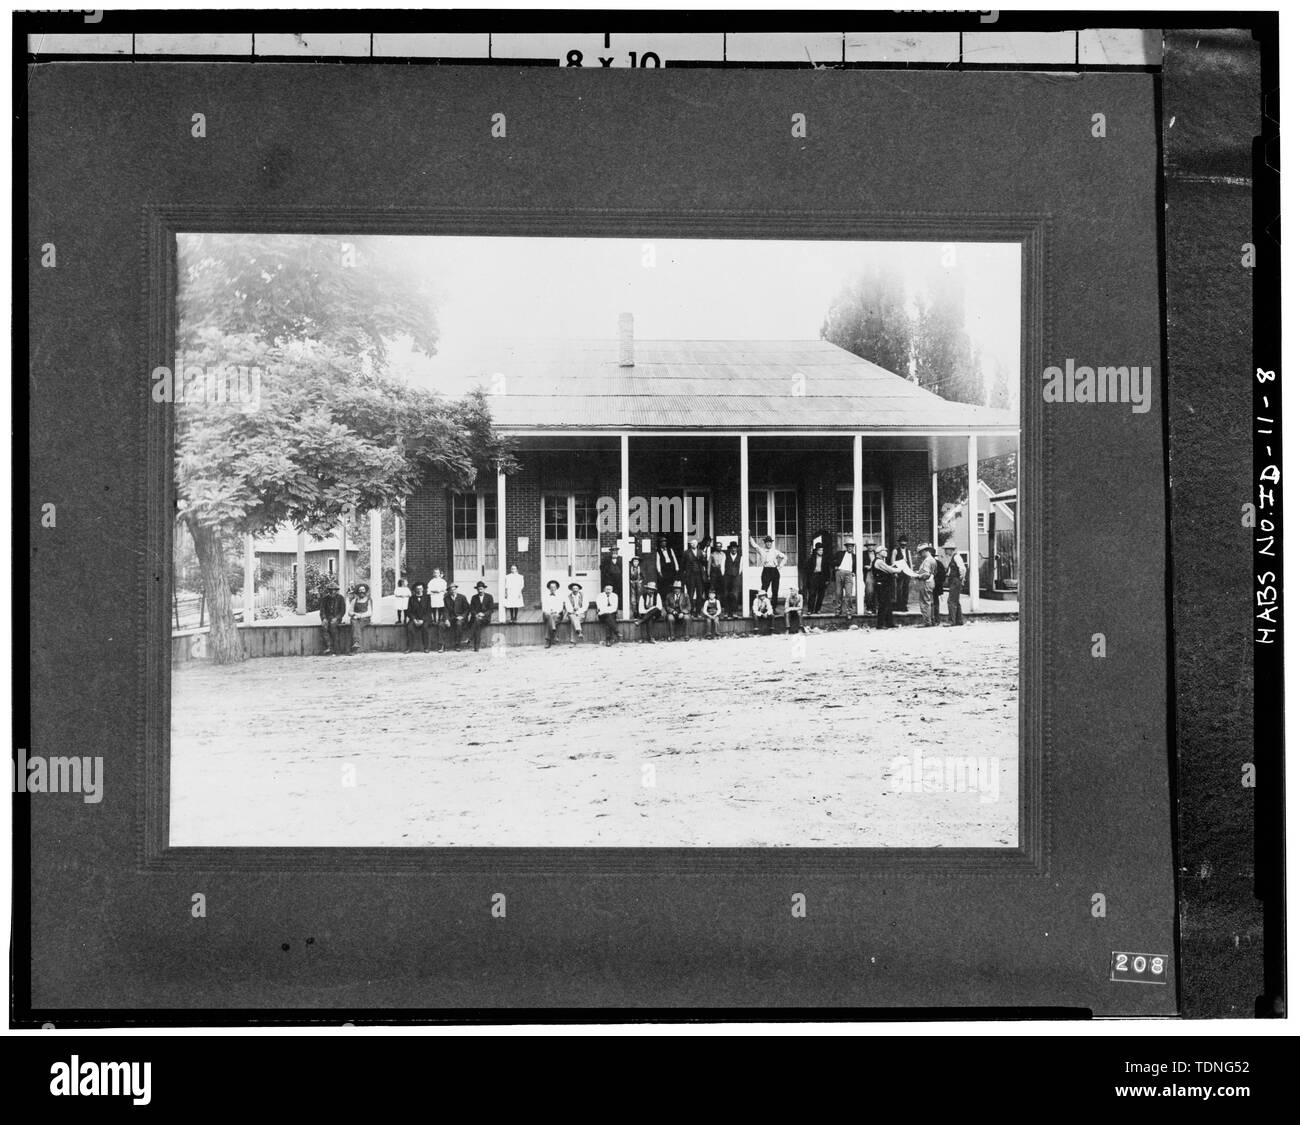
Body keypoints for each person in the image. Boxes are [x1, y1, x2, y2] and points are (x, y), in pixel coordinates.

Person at [749, 534, 786, 602]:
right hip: (766, 571)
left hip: (774, 571)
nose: (769, 543)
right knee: (764, 589)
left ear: (771, 543)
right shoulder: (761, 550)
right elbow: (754, 545)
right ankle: (763, 606)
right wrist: (750, 536)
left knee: (775, 590)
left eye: (770, 542)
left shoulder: (775, 551)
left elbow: (785, 557)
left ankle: (773, 607)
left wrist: (780, 566)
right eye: (767, 542)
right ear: (765, 543)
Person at [872, 551, 901, 629]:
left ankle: (889, 623)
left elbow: (887, 569)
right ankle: (880, 624)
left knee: (888, 604)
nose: (886, 552)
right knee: (883, 604)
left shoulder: (880, 561)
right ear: (878, 553)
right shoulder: (879, 561)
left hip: (884, 585)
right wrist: (899, 569)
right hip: (881, 585)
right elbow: (890, 570)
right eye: (883, 551)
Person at [319, 580, 347, 655]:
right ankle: (328, 647)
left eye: (334, 590)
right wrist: (324, 618)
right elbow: (322, 610)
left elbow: (342, 611)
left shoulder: (341, 598)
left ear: (337, 590)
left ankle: (336, 649)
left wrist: (337, 618)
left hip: (336, 618)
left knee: (333, 626)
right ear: (329, 590)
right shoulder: (325, 598)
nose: (332, 592)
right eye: (331, 590)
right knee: (324, 626)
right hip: (328, 617)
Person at [681, 538, 707, 615]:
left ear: (697, 544)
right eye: (692, 543)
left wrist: (704, 557)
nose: (694, 545)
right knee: (690, 594)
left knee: (700, 594)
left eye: (695, 543)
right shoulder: (686, 553)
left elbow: (704, 563)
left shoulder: (700, 552)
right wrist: (684, 574)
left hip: (699, 575)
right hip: (690, 575)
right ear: (690, 545)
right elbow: (682, 564)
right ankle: (691, 610)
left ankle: (698, 611)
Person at [914, 546, 939, 626]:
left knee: (924, 602)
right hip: (931, 582)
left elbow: (926, 574)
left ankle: (927, 621)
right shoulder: (933, 559)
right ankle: (932, 620)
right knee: (930, 601)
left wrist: (918, 575)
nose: (920, 554)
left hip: (925, 582)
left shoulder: (927, 561)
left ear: (925, 551)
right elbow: (932, 572)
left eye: (921, 552)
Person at [833, 538, 858, 619]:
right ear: (846, 547)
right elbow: (831, 561)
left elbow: (856, 566)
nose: (850, 548)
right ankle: (838, 610)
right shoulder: (840, 553)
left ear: (853, 547)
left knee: (848, 593)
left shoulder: (855, 557)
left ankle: (849, 611)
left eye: (851, 546)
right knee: (838, 593)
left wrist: (854, 571)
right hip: (839, 572)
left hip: (849, 574)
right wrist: (835, 566)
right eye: (848, 546)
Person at [943, 545, 967, 626]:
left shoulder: (956, 557)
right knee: (956, 601)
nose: (945, 551)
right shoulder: (953, 558)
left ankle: (951, 621)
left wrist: (960, 578)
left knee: (951, 601)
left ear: (951, 549)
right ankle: (959, 620)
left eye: (946, 549)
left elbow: (962, 568)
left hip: (955, 581)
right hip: (954, 580)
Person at [468, 580, 495, 651]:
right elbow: (471, 609)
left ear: (484, 589)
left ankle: (470, 638)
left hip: (485, 618)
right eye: (478, 589)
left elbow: (491, 609)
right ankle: (476, 648)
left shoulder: (489, 597)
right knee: (477, 625)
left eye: (481, 589)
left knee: (477, 622)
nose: (480, 591)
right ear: (476, 589)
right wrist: (476, 614)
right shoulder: (474, 597)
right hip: (476, 618)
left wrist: (483, 614)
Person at [405, 582, 431, 653]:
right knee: (409, 627)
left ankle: (426, 648)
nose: (419, 590)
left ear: (423, 589)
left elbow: (429, 611)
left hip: (425, 619)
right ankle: (409, 648)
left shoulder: (427, 598)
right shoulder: (411, 599)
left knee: (425, 628)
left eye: (421, 588)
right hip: (414, 619)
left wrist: (422, 620)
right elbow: (409, 611)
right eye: (417, 589)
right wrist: (414, 620)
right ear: (415, 590)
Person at [347, 582, 373, 653]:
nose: (361, 592)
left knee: (355, 626)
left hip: (365, 619)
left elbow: (370, 612)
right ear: (358, 591)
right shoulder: (354, 600)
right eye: (360, 590)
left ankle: (355, 645)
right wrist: (354, 614)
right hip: (355, 618)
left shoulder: (368, 600)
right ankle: (356, 644)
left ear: (365, 591)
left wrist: (360, 615)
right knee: (354, 622)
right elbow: (349, 612)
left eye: (363, 590)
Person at [443, 582, 469, 650]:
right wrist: (446, 619)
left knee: (458, 624)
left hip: (461, 618)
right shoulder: (446, 598)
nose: (453, 591)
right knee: (441, 625)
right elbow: (445, 610)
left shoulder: (462, 597)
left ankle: (458, 644)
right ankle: (441, 645)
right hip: (451, 618)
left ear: (456, 590)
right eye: (451, 590)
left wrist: (462, 616)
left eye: (454, 589)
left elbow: (467, 609)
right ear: (449, 591)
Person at [804, 539, 829, 613]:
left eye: (822, 550)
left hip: (822, 577)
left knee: (821, 594)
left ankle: (817, 609)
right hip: (813, 577)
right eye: (820, 550)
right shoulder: (811, 559)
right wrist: (808, 579)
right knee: (812, 593)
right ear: (816, 551)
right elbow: (807, 570)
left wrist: (827, 579)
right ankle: (810, 610)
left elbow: (827, 570)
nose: (821, 552)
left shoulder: (825, 559)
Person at [891, 535, 914, 612]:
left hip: (906, 571)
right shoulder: (895, 551)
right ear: (899, 543)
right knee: (899, 589)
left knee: (906, 589)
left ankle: (904, 605)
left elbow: (910, 562)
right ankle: (899, 605)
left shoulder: (908, 551)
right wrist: (895, 572)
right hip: (899, 571)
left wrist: (911, 572)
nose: (903, 545)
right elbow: (893, 562)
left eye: (905, 543)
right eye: (902, 543)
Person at [541, 579, 565, 648]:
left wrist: (555, 611)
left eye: (554, 587)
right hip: (547, 613)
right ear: (549, 588)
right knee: (550, 616)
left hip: (556, 614)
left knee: (552, 617)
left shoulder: (560, 596)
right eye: (551, 587)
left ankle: (547, 640)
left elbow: (561, 607)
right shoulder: (545, 596)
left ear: (556, 588)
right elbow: (544, 607)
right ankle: (554, 630)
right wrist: (549, 611)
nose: (552, 589)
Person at [723, 541, 744, 618]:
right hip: (727, 576)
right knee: (726, 594)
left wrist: (738, 574)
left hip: (736, 577)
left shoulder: (740, 556)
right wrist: (723, 574)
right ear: (730, 548)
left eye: (735, 548)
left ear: (737, 548)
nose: (734, 549)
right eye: (732, 548)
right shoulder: (726, 555)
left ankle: (734, 612)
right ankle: (726, 612)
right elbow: (722, 565)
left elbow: (741, 566)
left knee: (735, 594)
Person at [427, 568, 448, 632]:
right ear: (433, 574)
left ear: (440, 574)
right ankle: (434, 619)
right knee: (434, 607)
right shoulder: (431, 581)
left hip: (440, 596)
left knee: (440, 607)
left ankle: (439, 619)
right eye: (435, 573)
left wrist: (440, 590)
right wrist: (435, 590)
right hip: (433, 595)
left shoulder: (442, 581)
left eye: (437, 573)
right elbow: (429, 589)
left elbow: (444, 589)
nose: (436, 574)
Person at [932, 549, 948, 623]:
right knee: (933, 602)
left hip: (935, 586)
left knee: (934, 603)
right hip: (933, 585)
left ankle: (936, 619)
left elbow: (943, 576)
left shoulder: (938, 563)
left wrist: (936, 582)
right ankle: (933, 619)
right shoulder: (937, 563)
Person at [862, 543, 877, 614]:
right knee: (869, 591)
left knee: (876, 590)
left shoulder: (876, 553)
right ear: (866, 546)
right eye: (869, 545)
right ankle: (869, 607)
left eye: (872, 545)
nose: (870, 547)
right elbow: (860, 563)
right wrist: (865, 566)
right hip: (868, 573)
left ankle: (875, 607)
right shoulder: (863, 554)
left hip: (876, 573)